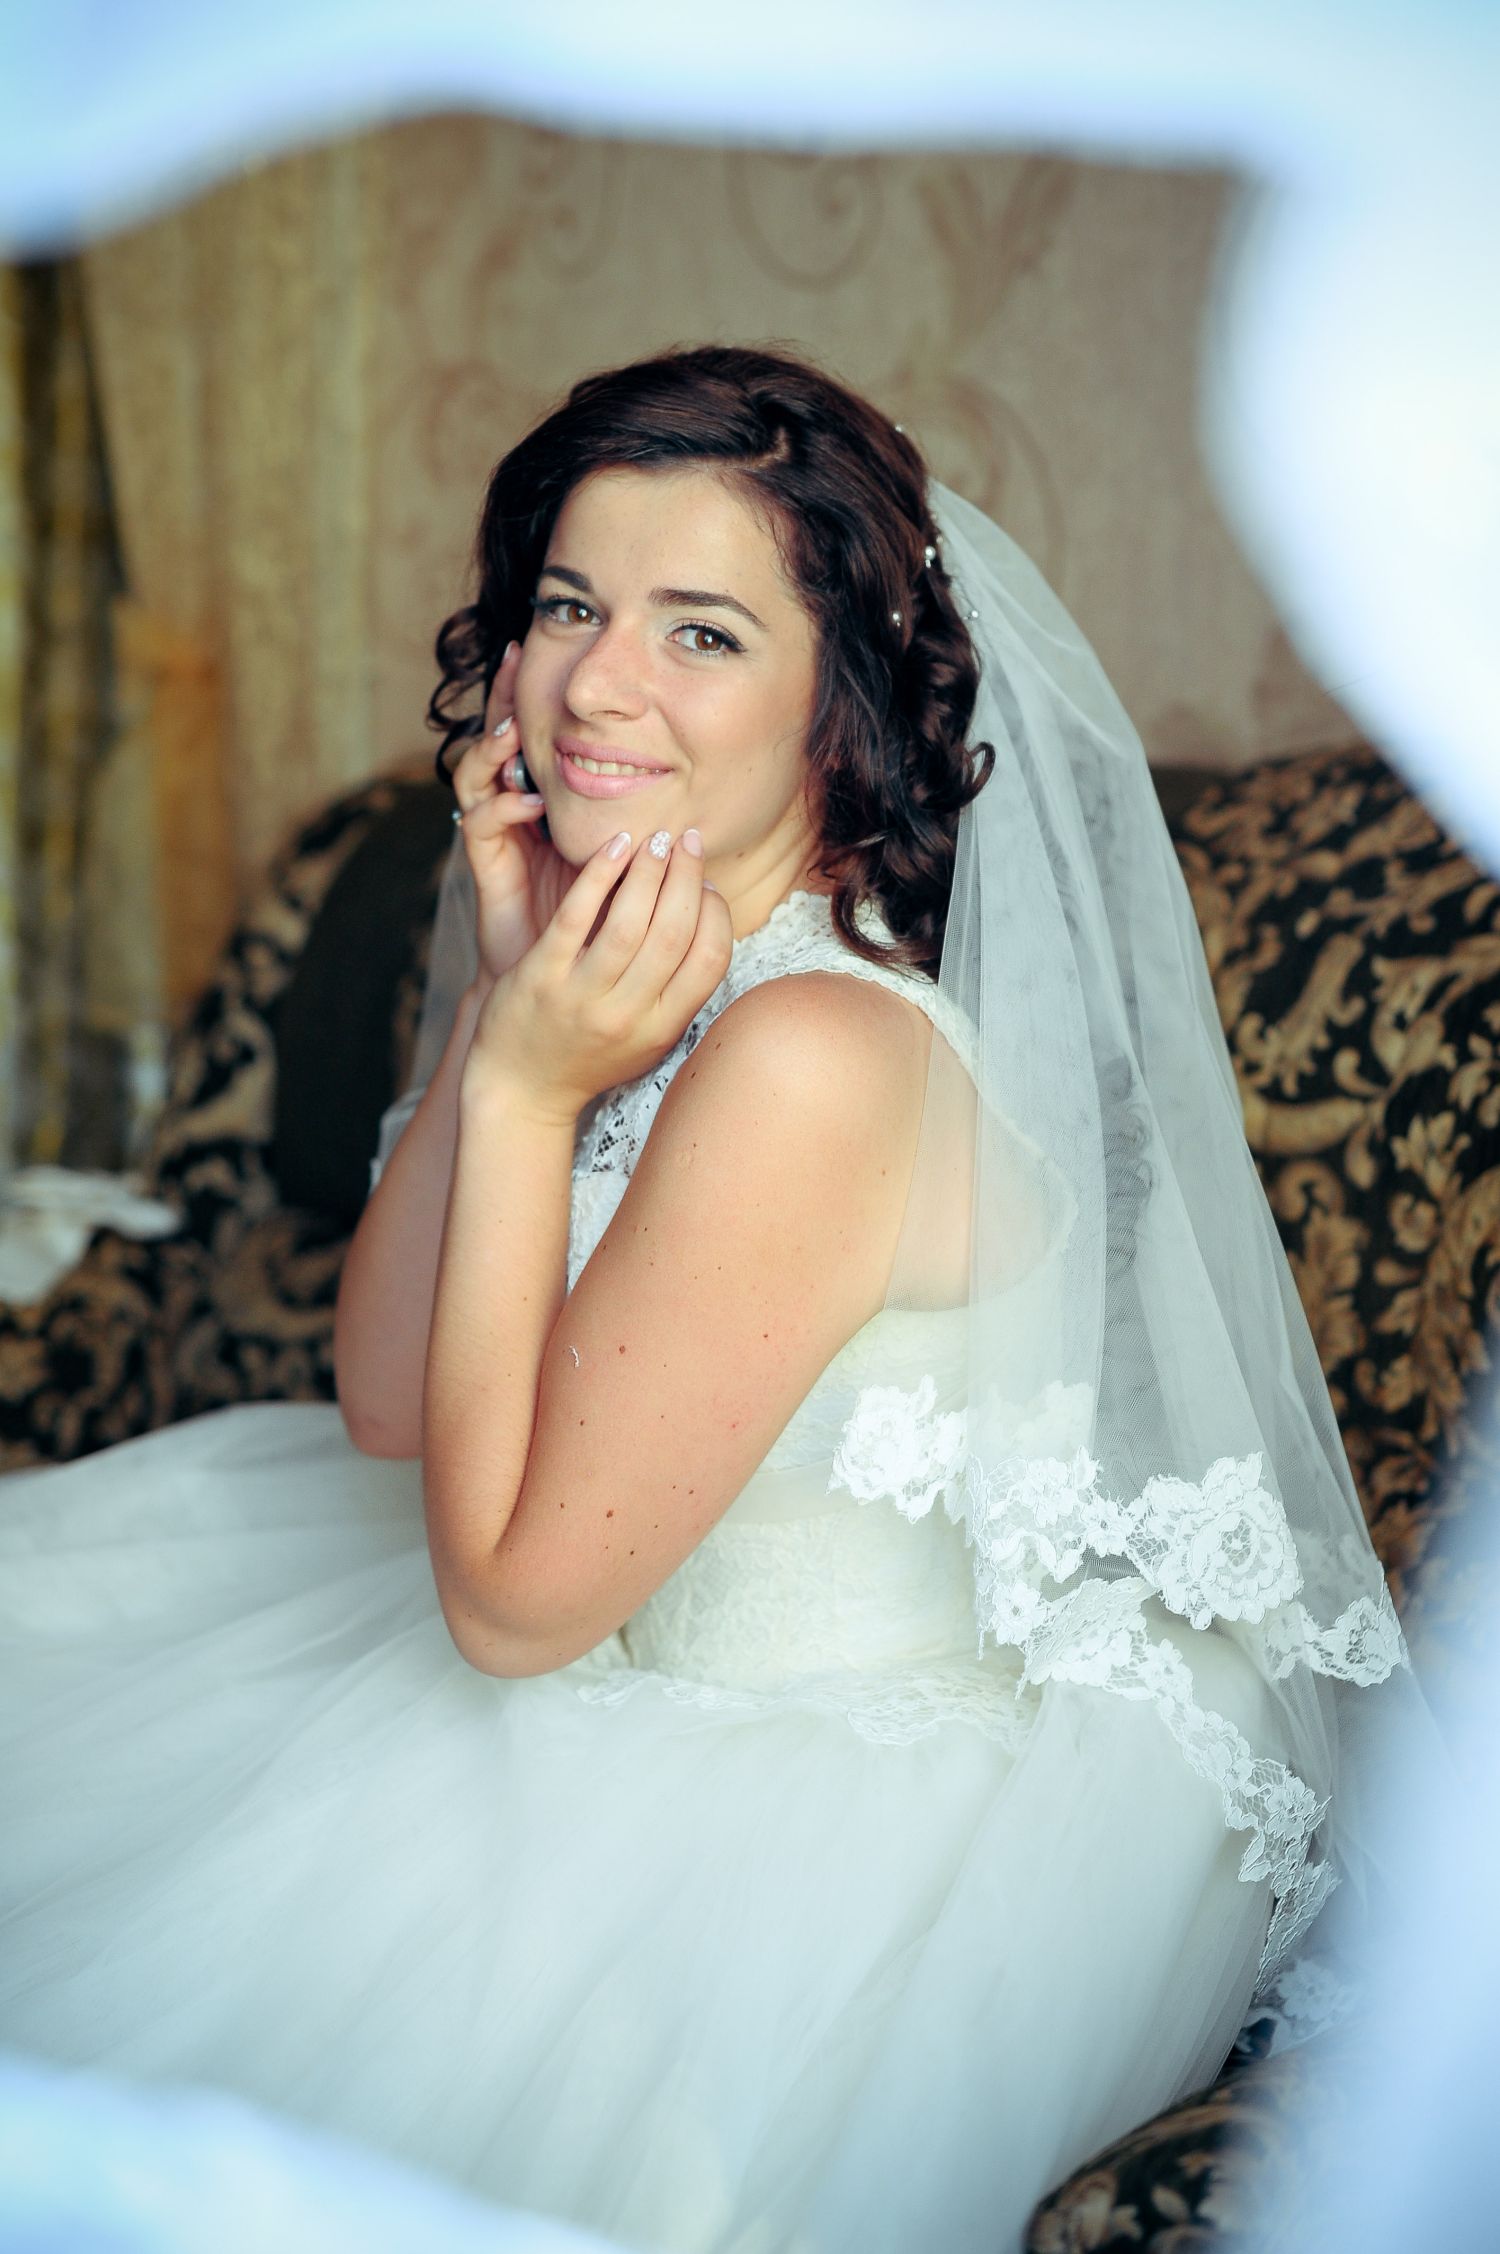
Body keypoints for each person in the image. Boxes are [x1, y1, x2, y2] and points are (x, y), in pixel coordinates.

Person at [0, 345, 1424, 2254]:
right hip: (577, 1632)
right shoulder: (631, 962)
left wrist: (528, 1094)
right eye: (569, 605)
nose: (597, 684)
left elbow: (511, 1607)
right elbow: (385, 1401)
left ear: (842, 705)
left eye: (702, 632)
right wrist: (510, 998)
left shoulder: (813, 1052)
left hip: (800, 1779)